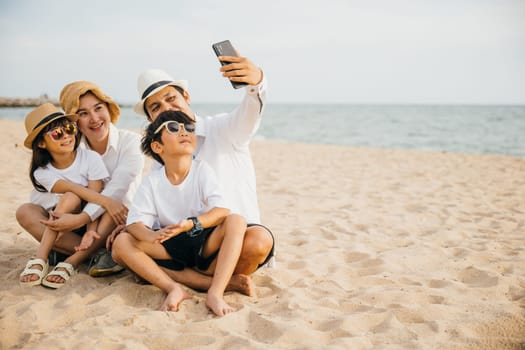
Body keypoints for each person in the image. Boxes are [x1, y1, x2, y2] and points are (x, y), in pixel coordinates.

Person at [116, 46, 275, 293]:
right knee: (121, 249)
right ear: (151, 120)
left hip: (230, 238)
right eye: (156, 107)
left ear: (186, 97)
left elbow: (251, 111)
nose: (167, 108)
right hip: (186, 245)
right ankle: (208, 282)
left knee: (258, 242)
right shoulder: (162, 159)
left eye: (171, 98)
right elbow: (157, 205)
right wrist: (135, 226)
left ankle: (186, 278)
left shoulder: (223, 129)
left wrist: (256, 83)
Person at [113, 110, 247, 315]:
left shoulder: (202, 170)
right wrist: (152, 235)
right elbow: (135, 223)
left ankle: (215, 292)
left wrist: (193, 223)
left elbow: (221, 210)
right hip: (169, 241)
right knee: (121, 243)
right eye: (173, 128)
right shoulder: (152, 181)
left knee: (236, 220)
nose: (184, 132)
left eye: (189, 128)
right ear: (157, 146)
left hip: (202, 238)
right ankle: (173, 288)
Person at [16, 81, 144, 278]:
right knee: (26, 211)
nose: (94, 118)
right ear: (76, 121)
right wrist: (72, 211)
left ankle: (74, 257)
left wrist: (82, 218)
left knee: (112, 207)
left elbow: (117, 191)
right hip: (76, 223)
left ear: (109, 109)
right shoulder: (70, 150)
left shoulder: (131, 142)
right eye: (83, 113)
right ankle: (95, 253)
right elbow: (42, 198)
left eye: (98, 108)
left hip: (115, 221)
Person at [18, 103, 111, 288]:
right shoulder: (42, 172)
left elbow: (94, 196)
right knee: (24, 211)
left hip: (92, 222)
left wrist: (91, 230)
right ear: (42, 143)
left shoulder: (91, 158)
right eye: (57, 134)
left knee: (75, 198)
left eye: (69, 128)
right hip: (62, 227)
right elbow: (75, 190)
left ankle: (55, 258)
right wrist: (107, 201)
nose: (67, 136)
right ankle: (95, 254)